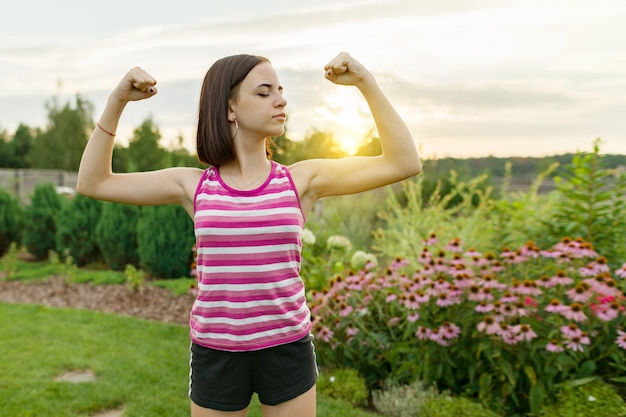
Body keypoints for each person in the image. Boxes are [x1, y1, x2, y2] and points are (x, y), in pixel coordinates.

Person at [77, 52, 421, 417]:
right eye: (264, 92)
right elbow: (93, 182)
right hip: (217, 352)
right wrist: (117, 101)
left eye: (281, 90)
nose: (280, 99)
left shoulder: (300, 180)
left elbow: (404, 162)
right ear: (230, 108)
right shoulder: (193, 186)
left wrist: (365, 82)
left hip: (287, 349)